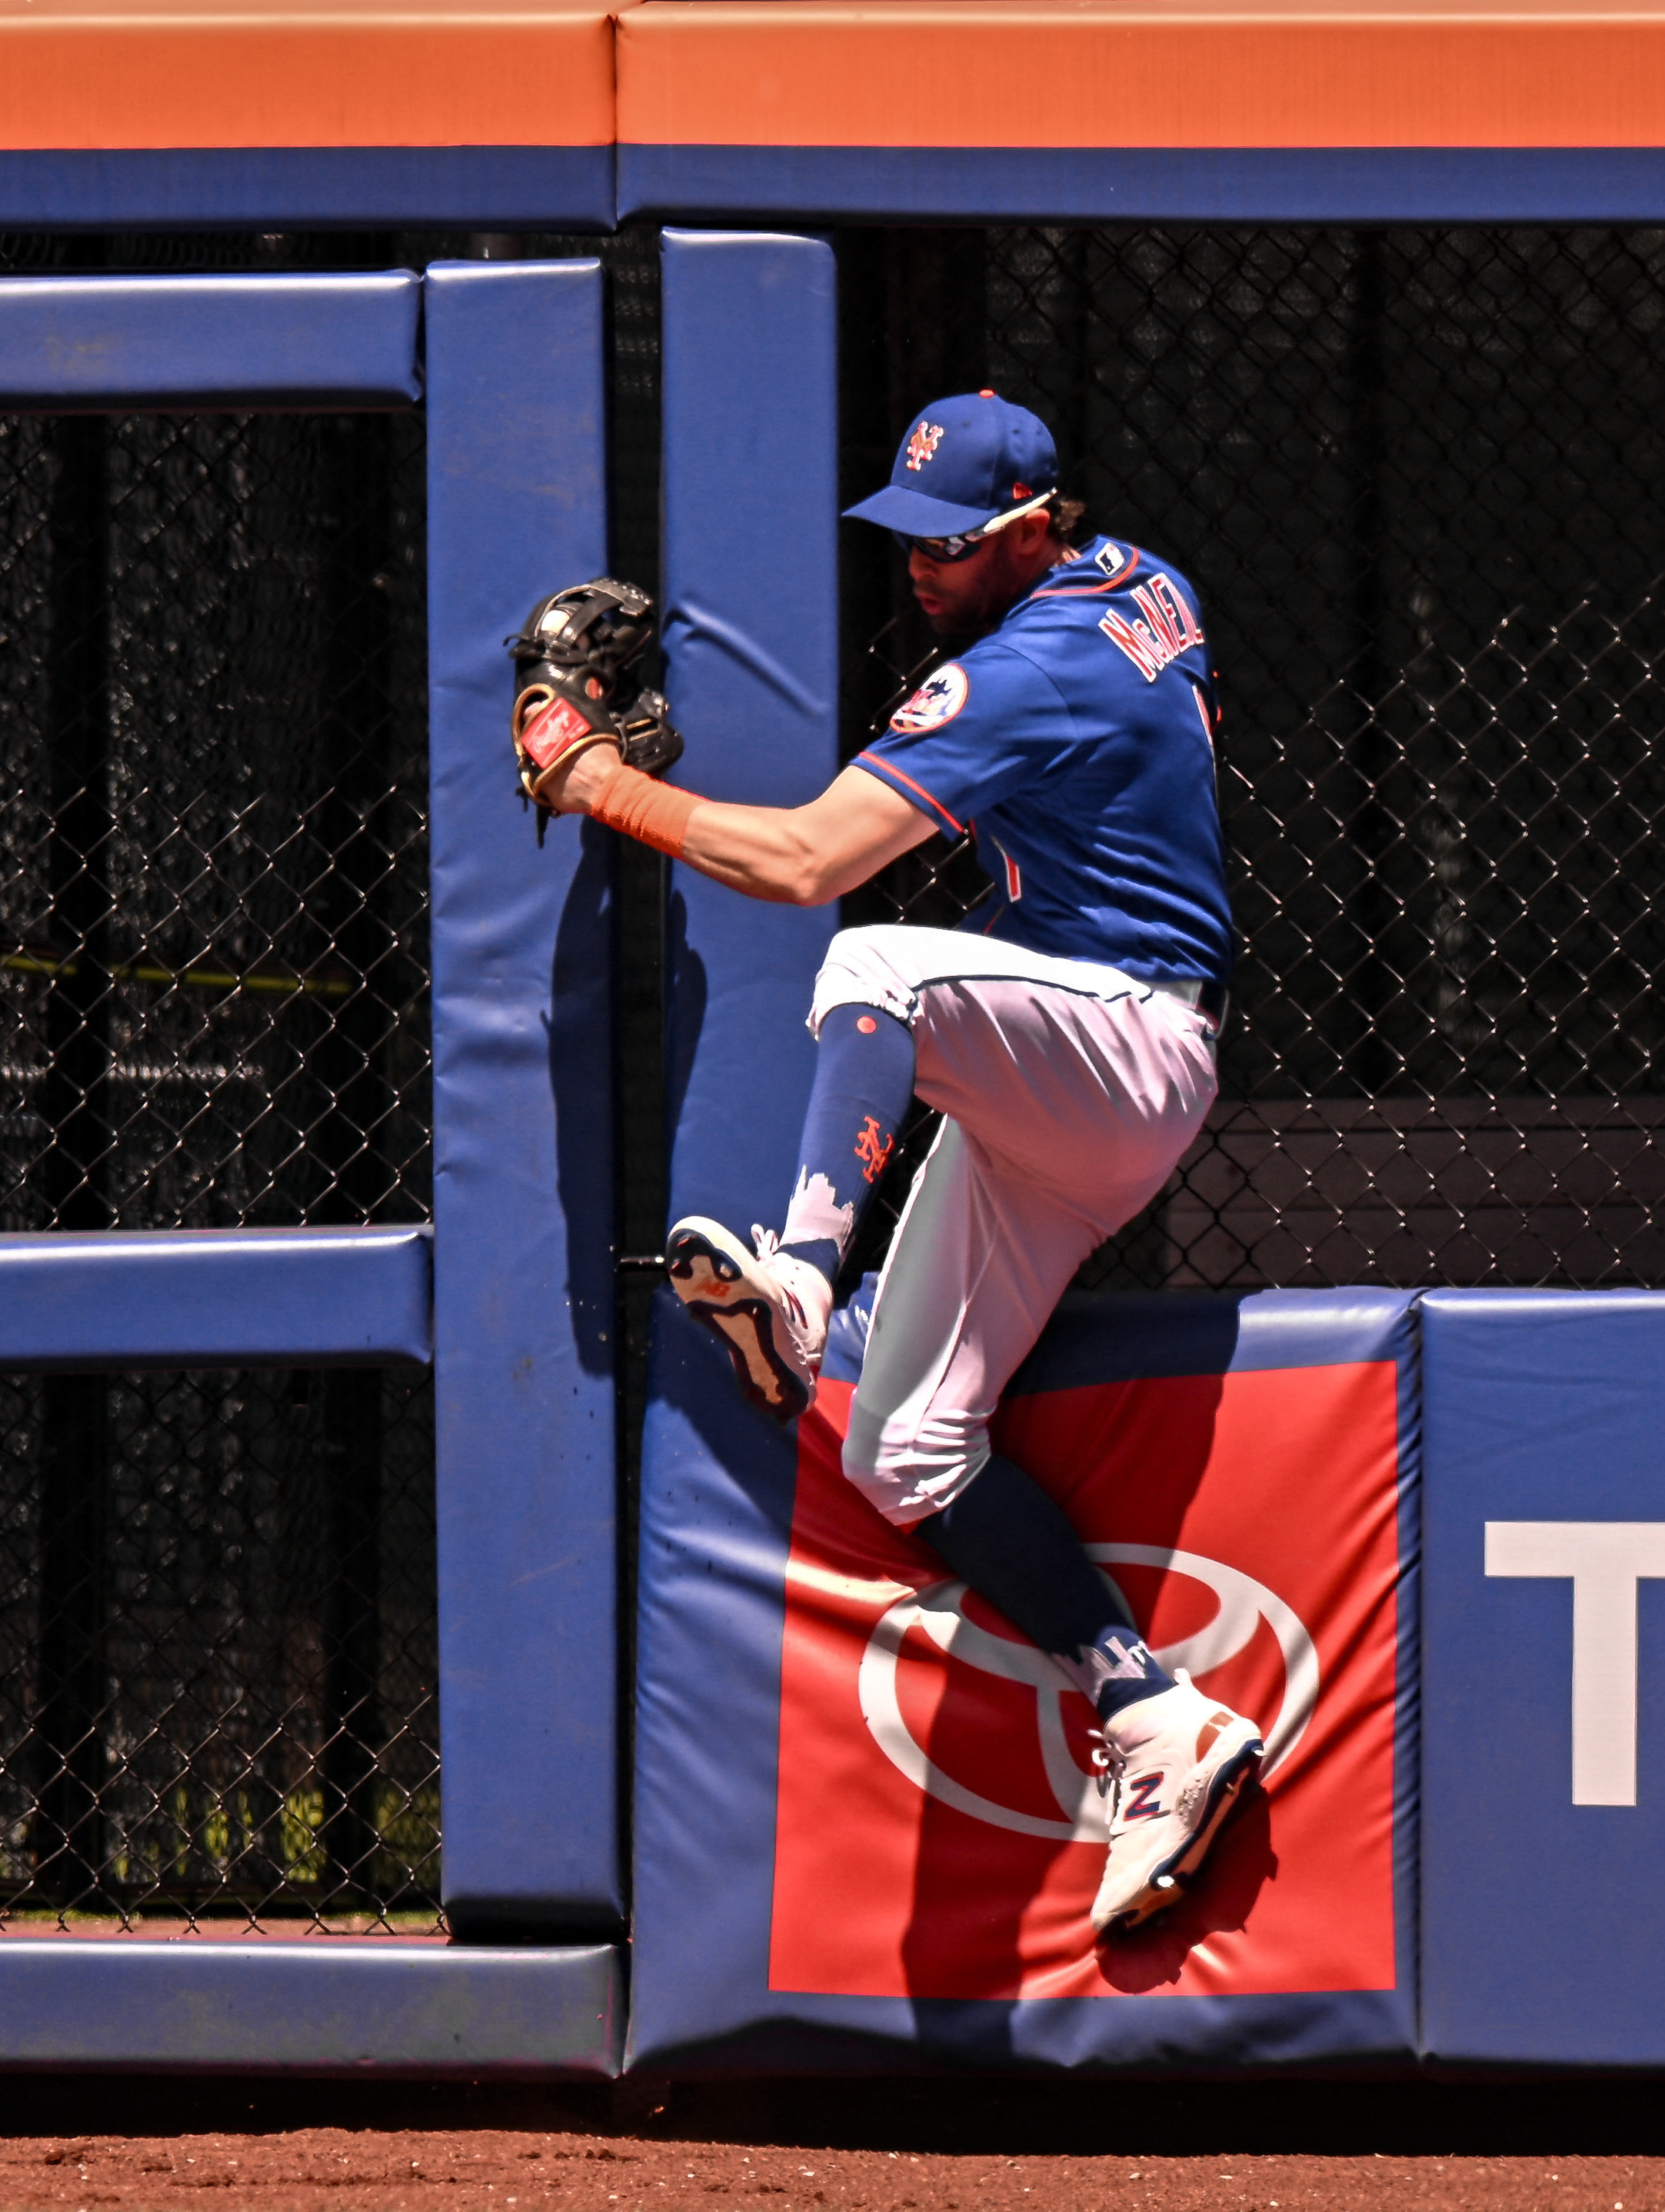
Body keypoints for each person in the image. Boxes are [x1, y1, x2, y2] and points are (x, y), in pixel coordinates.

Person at [542, 391, 1259, 1940]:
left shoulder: (1032, 664)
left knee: (877, 962)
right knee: (911, 1454)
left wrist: (601, 780)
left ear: (1028, 526)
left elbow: (806, 861)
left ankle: (802, 1283)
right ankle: (1154, 1716)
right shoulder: (1139, 577)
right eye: (907, 537)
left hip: (1127, 1039)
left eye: (951, 543)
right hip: (1072, 1091)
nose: (920, 567)